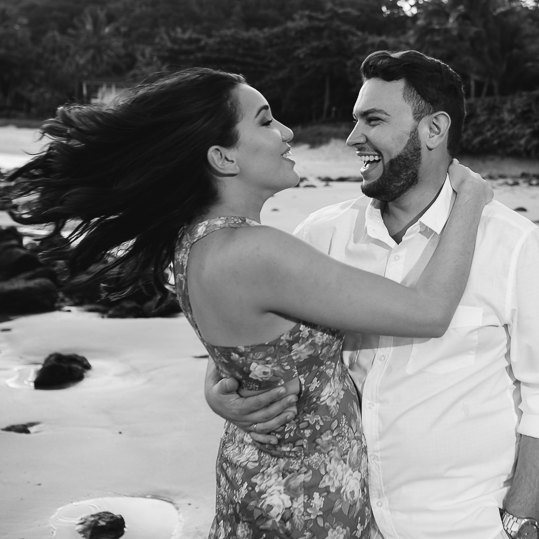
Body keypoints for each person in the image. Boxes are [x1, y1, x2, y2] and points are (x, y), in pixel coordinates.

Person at [7, 67, 493, 538]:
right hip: (308, 495)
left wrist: (217, 387)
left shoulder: (195, 243)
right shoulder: (257, 252)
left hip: (257, 473)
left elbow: (247, 347)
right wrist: (470, 197)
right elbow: (427, 312)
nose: (286, 132)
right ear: (223, 158)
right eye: (264, 120)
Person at [205, 50, 539, 539]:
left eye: (373, 119)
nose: (352, 138)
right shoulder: (321, 235)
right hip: (334, 519)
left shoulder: (513, 245)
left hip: (457, 526)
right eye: (354, 120)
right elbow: (249, 347)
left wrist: (520, 523)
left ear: (434, 130)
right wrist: (217, 394)